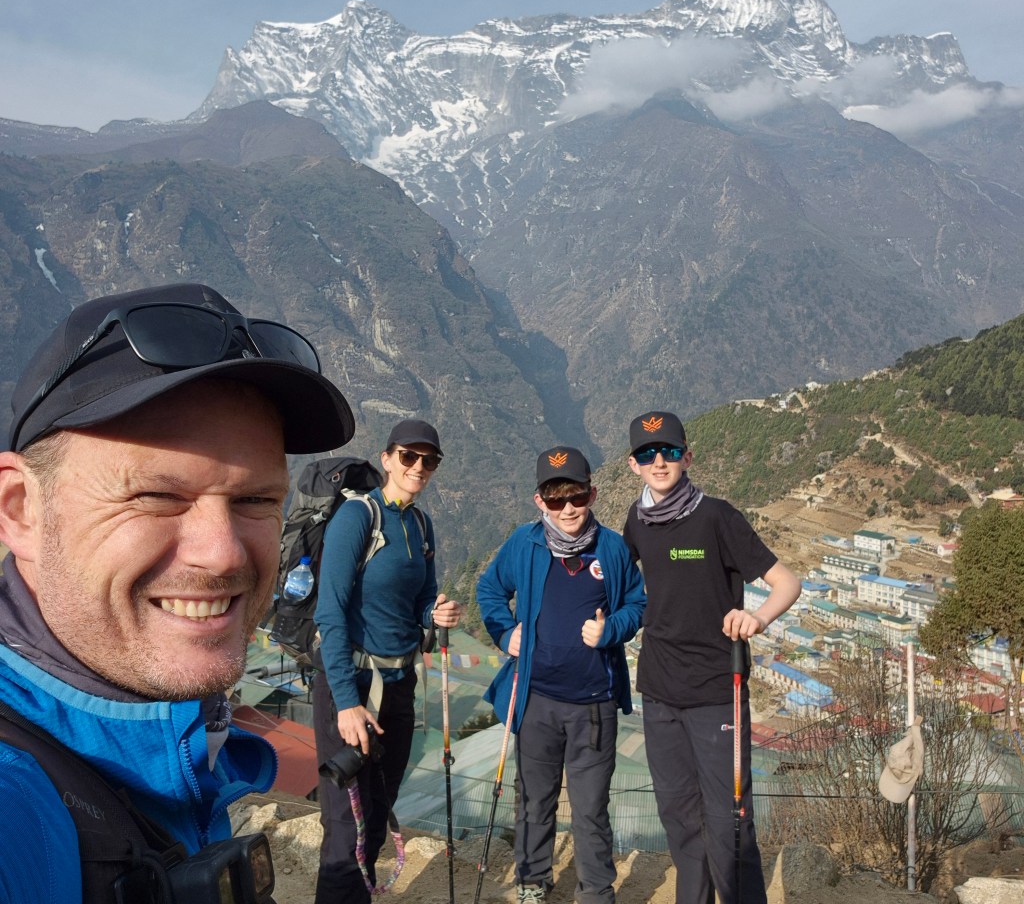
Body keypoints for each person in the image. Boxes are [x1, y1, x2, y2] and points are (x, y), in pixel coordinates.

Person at [0, 281, 356, 904]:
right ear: (21, 509)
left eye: (256, 500)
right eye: (157, 497)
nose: (221, 553)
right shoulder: (16, 804)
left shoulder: (175, 742)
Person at [622, 411, 801, 904]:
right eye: (647, 454)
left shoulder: (717, 517)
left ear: (688, 456)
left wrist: (757, 619)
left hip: (717, 693)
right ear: (633, 465)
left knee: (729, 820)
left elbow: (788, 583)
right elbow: (616, 584)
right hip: (658, 693)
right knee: (678, 817)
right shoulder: (636, 522)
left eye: (670, 451)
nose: (659, 462)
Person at [478, 445, 646, 904]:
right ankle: (533, 882)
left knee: (591, 808)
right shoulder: (525, 543)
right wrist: (502, 631)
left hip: (594, 704)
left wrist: (611, 628)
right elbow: (490, 589)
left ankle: (596, 892)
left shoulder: (610, 546)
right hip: (535, 699)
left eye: (577, 496)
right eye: (556, 499)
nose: (568, 508)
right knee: (533, 798)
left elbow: (637, 603)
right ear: (540, 501)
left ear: (593, 493)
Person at [312, 417, 462, 904]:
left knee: (376, 813)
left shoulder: (419, 523)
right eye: (409, 457)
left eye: (429, 460)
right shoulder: (359, 518)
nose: (419, 467)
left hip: (398, 686)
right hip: (352, 685)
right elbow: (330, 613)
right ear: (387, 459)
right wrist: (345, 702)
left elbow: (422, 598)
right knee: (344, 827)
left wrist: (435, 612)